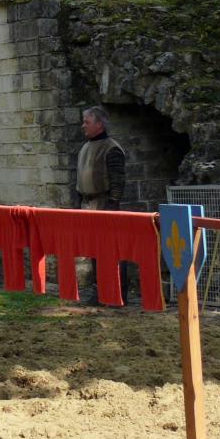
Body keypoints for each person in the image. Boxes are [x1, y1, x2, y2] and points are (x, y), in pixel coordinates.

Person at [74, 107, 126, 305]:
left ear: (99, 124)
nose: (83, 126)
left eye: (87, 122)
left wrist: (112, 207)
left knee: (109, 251)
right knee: (94, 251)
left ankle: (115, 293)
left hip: (104, 205)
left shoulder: (112, 148)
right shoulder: (85, 147)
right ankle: (99, 290)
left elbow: (117, 182)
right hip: (88, 205)